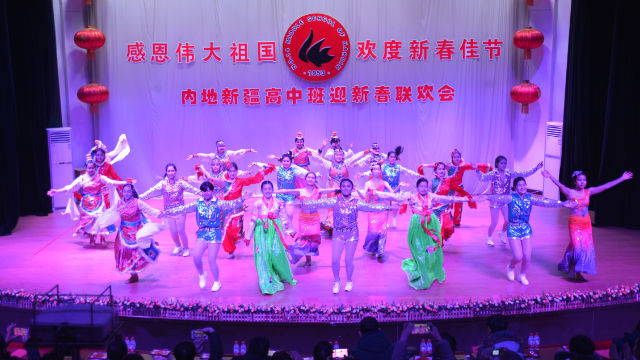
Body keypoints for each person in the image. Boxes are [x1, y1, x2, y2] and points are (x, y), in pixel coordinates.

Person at [301, 179, 390, 294]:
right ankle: (337, 281)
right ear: (341, 188)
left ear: (352, 188)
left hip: (352, 234)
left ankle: (349, 281)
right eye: (344, 186)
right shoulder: (334, 200)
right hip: (338, 233)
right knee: (335, 260)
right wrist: (304, 203)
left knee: (348, 260)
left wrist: (384, 208)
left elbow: (370, 207)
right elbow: (320, 203)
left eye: (349, 186)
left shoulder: (357, 202)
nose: (346, 188)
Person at [542, 169, 633, 281]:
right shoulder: (569, 192)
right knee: (577, 247)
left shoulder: (588, 191)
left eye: (584, 180)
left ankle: (577, 271)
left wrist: (621, 178)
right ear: (575, 182)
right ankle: (572, 266)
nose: (582, 182)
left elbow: (606, 186)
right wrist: (550, 176)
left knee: (584, 248)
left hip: (586, 224)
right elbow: (559, 184)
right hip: (575, 223)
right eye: (579, 180)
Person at [485, 177, 576, 285]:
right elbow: (498, 197)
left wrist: (562, 203)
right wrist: (485, 197)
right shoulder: (510, 198)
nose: (522, 187)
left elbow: (545, 202)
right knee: (518, 256)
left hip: (526, 229)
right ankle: (511, 266)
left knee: (527, 257)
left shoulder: (530, 198)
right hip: (513, 229)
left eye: (524, 184)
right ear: (515, 187)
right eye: (519, 185)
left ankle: (522, 275)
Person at [381, 178, 468, 290]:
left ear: (428, 187)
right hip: (417, 224)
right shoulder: (411, 196)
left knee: (430, 248)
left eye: (425, 186)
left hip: (431, 223)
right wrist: (375, 193)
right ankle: (422, 272)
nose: (423, 188)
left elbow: (447, 198)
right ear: (417, 188)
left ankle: (430, 268)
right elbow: (394, 197)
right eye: (421, 186)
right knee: (419, 249)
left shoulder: (432, 196)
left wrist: (465, 199)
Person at [165, 181, 244, 292]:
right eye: (204, 191)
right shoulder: (197, 203)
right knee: (196, 257)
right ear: (201, 192)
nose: (206, 193)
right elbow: (183, 208)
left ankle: (217, 282)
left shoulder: (218, 202)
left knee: (211, 260)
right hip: (202, 233)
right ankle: (202, 274)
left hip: (214, 233)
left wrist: (242, 199)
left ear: (212, 191)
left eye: (208, 191)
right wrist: (167, 212)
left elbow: (231, 204)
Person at [47, 160, 129, 246]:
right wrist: (57, 191)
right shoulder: (82, 178)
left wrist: (125, 182)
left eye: (92, 168)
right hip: (86, 203)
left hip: (99, 202)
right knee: (88, 222)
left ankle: (102, 237)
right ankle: (92, 237)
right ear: (86, 168)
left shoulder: (100, 177)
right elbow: (70, 187)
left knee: (99, 219)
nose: (91, 170)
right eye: (89, 168)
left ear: (95, 168)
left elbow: (112, 182)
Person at [245, 181, 297, 295]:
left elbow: (284, 217)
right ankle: (266, 279)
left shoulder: (279, 202)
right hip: (261, 230)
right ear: (262, 190)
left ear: (273, 190)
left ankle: (284, 274)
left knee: (277, 253)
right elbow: (253, 220)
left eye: (270, 188)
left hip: (275, 229)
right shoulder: (257, 204)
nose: (267, 191)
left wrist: (290, 231)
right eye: (265, 189)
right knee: (263, 254)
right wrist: (248, 236)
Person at [477, 156, 543, 246]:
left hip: (506, 201)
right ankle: (489, 238)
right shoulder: (493, 173)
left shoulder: (509, 173)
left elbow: (523, 174)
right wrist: (477, 170)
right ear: (497, 164)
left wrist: (536, 168)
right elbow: (482, 178)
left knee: (508, 220)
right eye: (501, 163)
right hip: (495, 201)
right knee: (494, 222)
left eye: (505, 163)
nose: (504, 165)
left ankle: (502, 233)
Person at [140, 163, 201, 257]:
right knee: (173, 231)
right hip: (168, 211)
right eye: (169, 171)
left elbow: (192, 189)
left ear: (175, 172)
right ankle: (178, 246)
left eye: (172, 170)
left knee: (181, 230)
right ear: (166, 172)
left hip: (180, 209)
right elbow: (152, 191)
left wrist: (204, 194)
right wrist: (141, 196)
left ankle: (185, 248)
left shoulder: (181, 182)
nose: (171, 172)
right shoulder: (162, 183)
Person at [275, 172, 334, 266]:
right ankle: (307, 260)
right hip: (303, 219)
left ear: (315, 180)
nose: (310, 179)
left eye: (313, 177)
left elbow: (331, 190)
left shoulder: (318, 191)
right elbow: (287, 191)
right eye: (309, 177)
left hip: (314, 218)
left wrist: (343, 188)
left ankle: (307, 257)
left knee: (313, 239)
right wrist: (274, 192)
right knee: (304, 239)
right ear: (305, 179)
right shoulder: (300, 191)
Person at [110, 183, 164, 283]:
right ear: (122, 192)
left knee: (135, 252)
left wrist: (160, 214)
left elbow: (149, 210)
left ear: (132, 192)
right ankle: (133, 275)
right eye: (124, 191)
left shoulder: (138, 202)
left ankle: (135, 274)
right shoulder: (118, 204)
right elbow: (111, 213)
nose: (126, 193)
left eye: (128, 191)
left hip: (136, 232)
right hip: (123, 232)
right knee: (124, 253)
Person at [219, 162, 275, 258]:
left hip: (237, 210)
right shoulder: (223, 181)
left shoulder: (240, 181)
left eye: (234, 171)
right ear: (227, 172)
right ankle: (230, 251)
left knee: (234, 229)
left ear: (237, 172)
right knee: (227, 231)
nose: (232, 173)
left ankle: (239, 235)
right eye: (230, 171)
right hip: (226, 210)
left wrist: (262, 170)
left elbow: (253, 179)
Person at [310, 147, 366, 232]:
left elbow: (355, 157)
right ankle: (331, 227)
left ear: (343, 156)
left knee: (343, 209)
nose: (338, 156)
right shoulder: (329, 164)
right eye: (336, 155)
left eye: (340, 155)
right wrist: (309, 152)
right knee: (332, 209)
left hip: (344, 191)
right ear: (334, 156)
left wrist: (367, 151)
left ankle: (342, 226)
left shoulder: (346, 163)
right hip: (332, 191)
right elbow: (319, 158)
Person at [361, 163, 396, 260]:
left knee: (383, 230)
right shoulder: (367, 183)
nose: (376, 171)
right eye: (374, 169)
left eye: (378, 169)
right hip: (372, 209)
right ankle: (372, 247)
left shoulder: (385, 183)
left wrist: (399, 186)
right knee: (373, 231)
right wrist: (356, 191)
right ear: (371, 171)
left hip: (382, 209)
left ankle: (380, 251)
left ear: (381, 171)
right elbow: (363, 196)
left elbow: (392, 194)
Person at [187, 140, 257, 170]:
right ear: (217, 147)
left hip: (227, 174)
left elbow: (238, 152)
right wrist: (193, 156)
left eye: (223, 146)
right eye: (220, 146)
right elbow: (203, 155)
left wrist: (249, 150)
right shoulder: (213, 156)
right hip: (217, 175)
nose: (222, 147)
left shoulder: (228, 154)